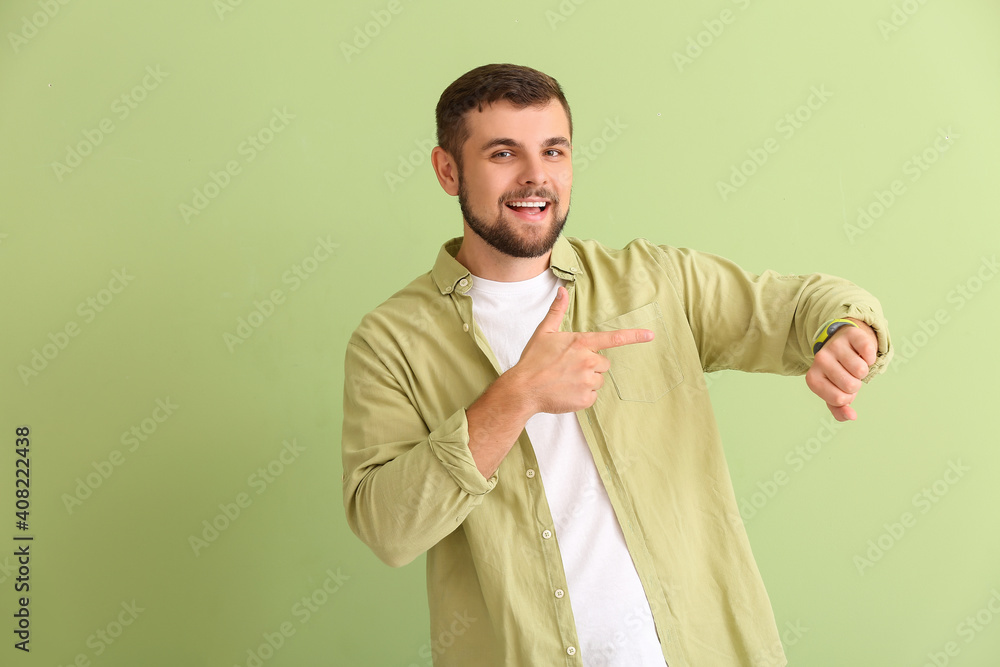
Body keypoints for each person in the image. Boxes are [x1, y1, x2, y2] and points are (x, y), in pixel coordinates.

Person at [341, 63, 892, 667]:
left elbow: (798, 305)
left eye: (554, 151)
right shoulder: (391, 340)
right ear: (449, 171)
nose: (536, 177)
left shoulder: (651, 282)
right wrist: (515, 396)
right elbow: (387, 527)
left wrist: (843, 331)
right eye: (504, 153)